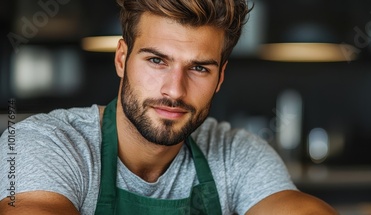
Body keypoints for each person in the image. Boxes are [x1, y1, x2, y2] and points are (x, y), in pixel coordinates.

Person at [0, 0, 338, 214]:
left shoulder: (236, 153)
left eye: (199, 68)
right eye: (157, 60)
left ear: (220, 78)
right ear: (122, 59)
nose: (175, 90)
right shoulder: (44, 143)